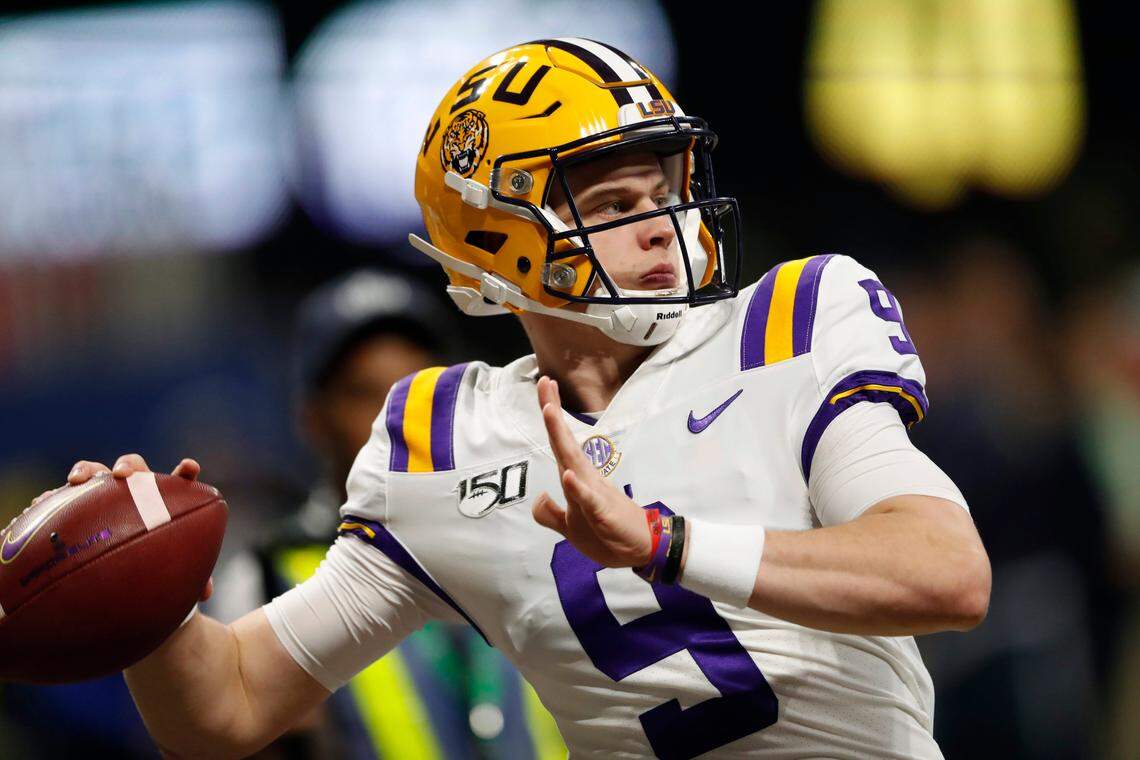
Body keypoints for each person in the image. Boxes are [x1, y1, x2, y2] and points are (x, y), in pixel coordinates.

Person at [65, 38, 991, 758]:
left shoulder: (790, 321)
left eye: (664, 189)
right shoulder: (441, 439)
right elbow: (226, 708)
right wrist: (144, 603)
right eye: (616, 203)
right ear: (498, 236)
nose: (664, 227)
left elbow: (945, 572)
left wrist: (667, 543)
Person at [208, 268, 565, 759]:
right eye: (365, 393)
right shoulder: (266, 576)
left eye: (417, 389)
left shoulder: (531, 529)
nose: (397, 418)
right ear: (313, 419)